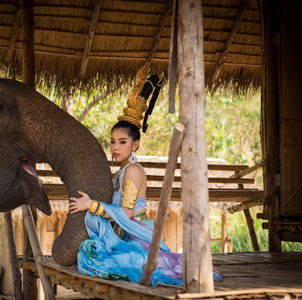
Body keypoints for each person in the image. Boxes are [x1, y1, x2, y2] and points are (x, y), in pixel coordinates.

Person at [69, 67, 223, 287]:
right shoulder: (121, 171)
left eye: (122, 142)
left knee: (113, 262)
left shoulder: (133, 171)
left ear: (135, 145)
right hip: (125, 234)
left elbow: (126, 213)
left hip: (138, 234)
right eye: (113, 141)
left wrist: (91, 205)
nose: (115, 147)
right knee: (89, 253)